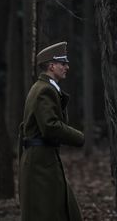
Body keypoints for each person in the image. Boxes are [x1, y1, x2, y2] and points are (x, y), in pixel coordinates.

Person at [18, 41, 85, 221]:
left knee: (57, 210)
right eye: (63, 64)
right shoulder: (44, 90)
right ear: (51, 65)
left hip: (43, 160)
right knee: (46, 212)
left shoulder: (46, 88)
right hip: (40, 164)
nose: (67, 67)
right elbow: (50, 126)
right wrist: (78, 137)